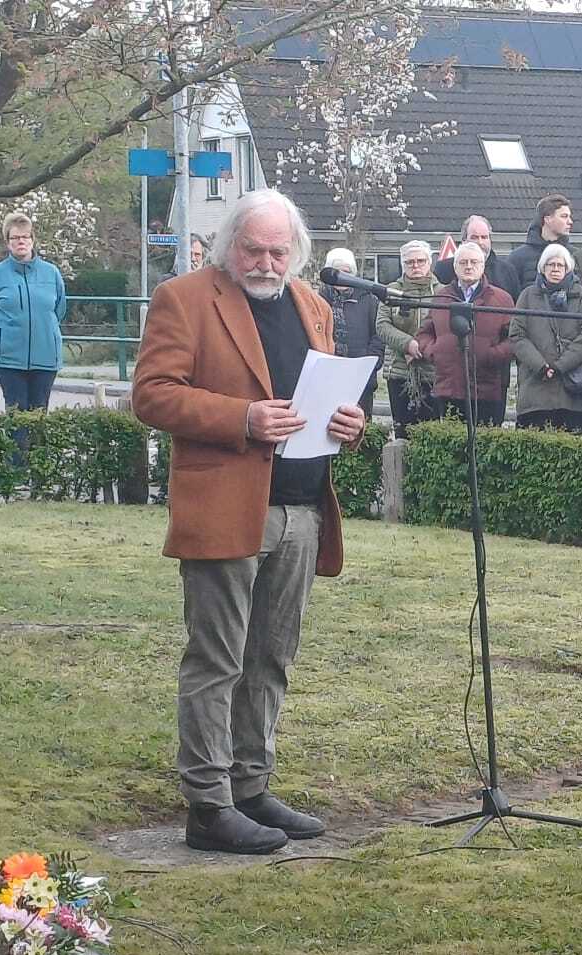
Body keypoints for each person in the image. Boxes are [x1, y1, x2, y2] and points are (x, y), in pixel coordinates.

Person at [130, 189, 364, 857]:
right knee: (217, 659)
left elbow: (321, 397)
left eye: (278, 251)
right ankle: (209, 804)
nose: (265, 262)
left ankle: (251, 785)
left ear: (297, 253)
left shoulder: (311, 304)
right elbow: (151, 393)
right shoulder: (185, 298)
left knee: (271, 658)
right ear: (230, 244)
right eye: (253, 249)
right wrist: (242, 419)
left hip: (302, 507)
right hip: (226, 505)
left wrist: (347, 425)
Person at [415, 242, 512, 427]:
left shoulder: (501, 299)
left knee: (484, 448)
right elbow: (424, 333)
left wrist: (492, 355)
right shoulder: (442, 297)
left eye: (474, 262)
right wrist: (434, 351)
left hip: (486, 389)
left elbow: (514, 337)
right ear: (455, 266)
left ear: (482, 266)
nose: (468, 266)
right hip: (448, 387)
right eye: (463, 262)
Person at [0, 212, 68, 411]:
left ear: (32, 240)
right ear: (8, 242)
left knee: (39, 412)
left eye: (25, 236)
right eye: (15, 237)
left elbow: (59, 309)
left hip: (45, 356)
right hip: (8, 359)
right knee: (16, 414)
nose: (21, 241)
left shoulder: (51, 273)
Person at [510, 244, 582, 432]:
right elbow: (517, 335)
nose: (555, 269)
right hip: (535, 391)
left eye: (560, 265)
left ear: (568, 269)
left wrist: (560, 366)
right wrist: (541, 366)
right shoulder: (527, 296)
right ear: (542, 268)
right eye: (551, 265)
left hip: (574, 394)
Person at [377, 239, 440, 435]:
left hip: (433, 372)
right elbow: (382, 326)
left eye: (420, 261)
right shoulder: (391, 291)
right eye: (410, 262)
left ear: (429, 262)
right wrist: (407, 344)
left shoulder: (442, 292)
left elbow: (444, 328)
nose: (415, 266)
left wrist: (421, 347)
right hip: (399, 372)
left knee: (431, 432)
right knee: (402, 431)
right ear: (402, 264)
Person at [320, 248, 384, 420]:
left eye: (346, 272)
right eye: (337, 271)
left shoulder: (369, 299)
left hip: (361, 377)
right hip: (326, 377)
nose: (342, 276)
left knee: (359, 428)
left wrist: (369, 363)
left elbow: (378, 335)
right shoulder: (317, 299)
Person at [434, 216, 520, 298]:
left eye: (484, 237)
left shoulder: (507, 271)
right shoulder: (444, 269)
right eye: (474, 237)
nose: (480, 242)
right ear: (464, 240)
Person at [506, 194, 572, 289]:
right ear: (547, 219)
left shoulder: (574, 256)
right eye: (564, 216)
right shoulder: (518, 258)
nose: (570, 222)